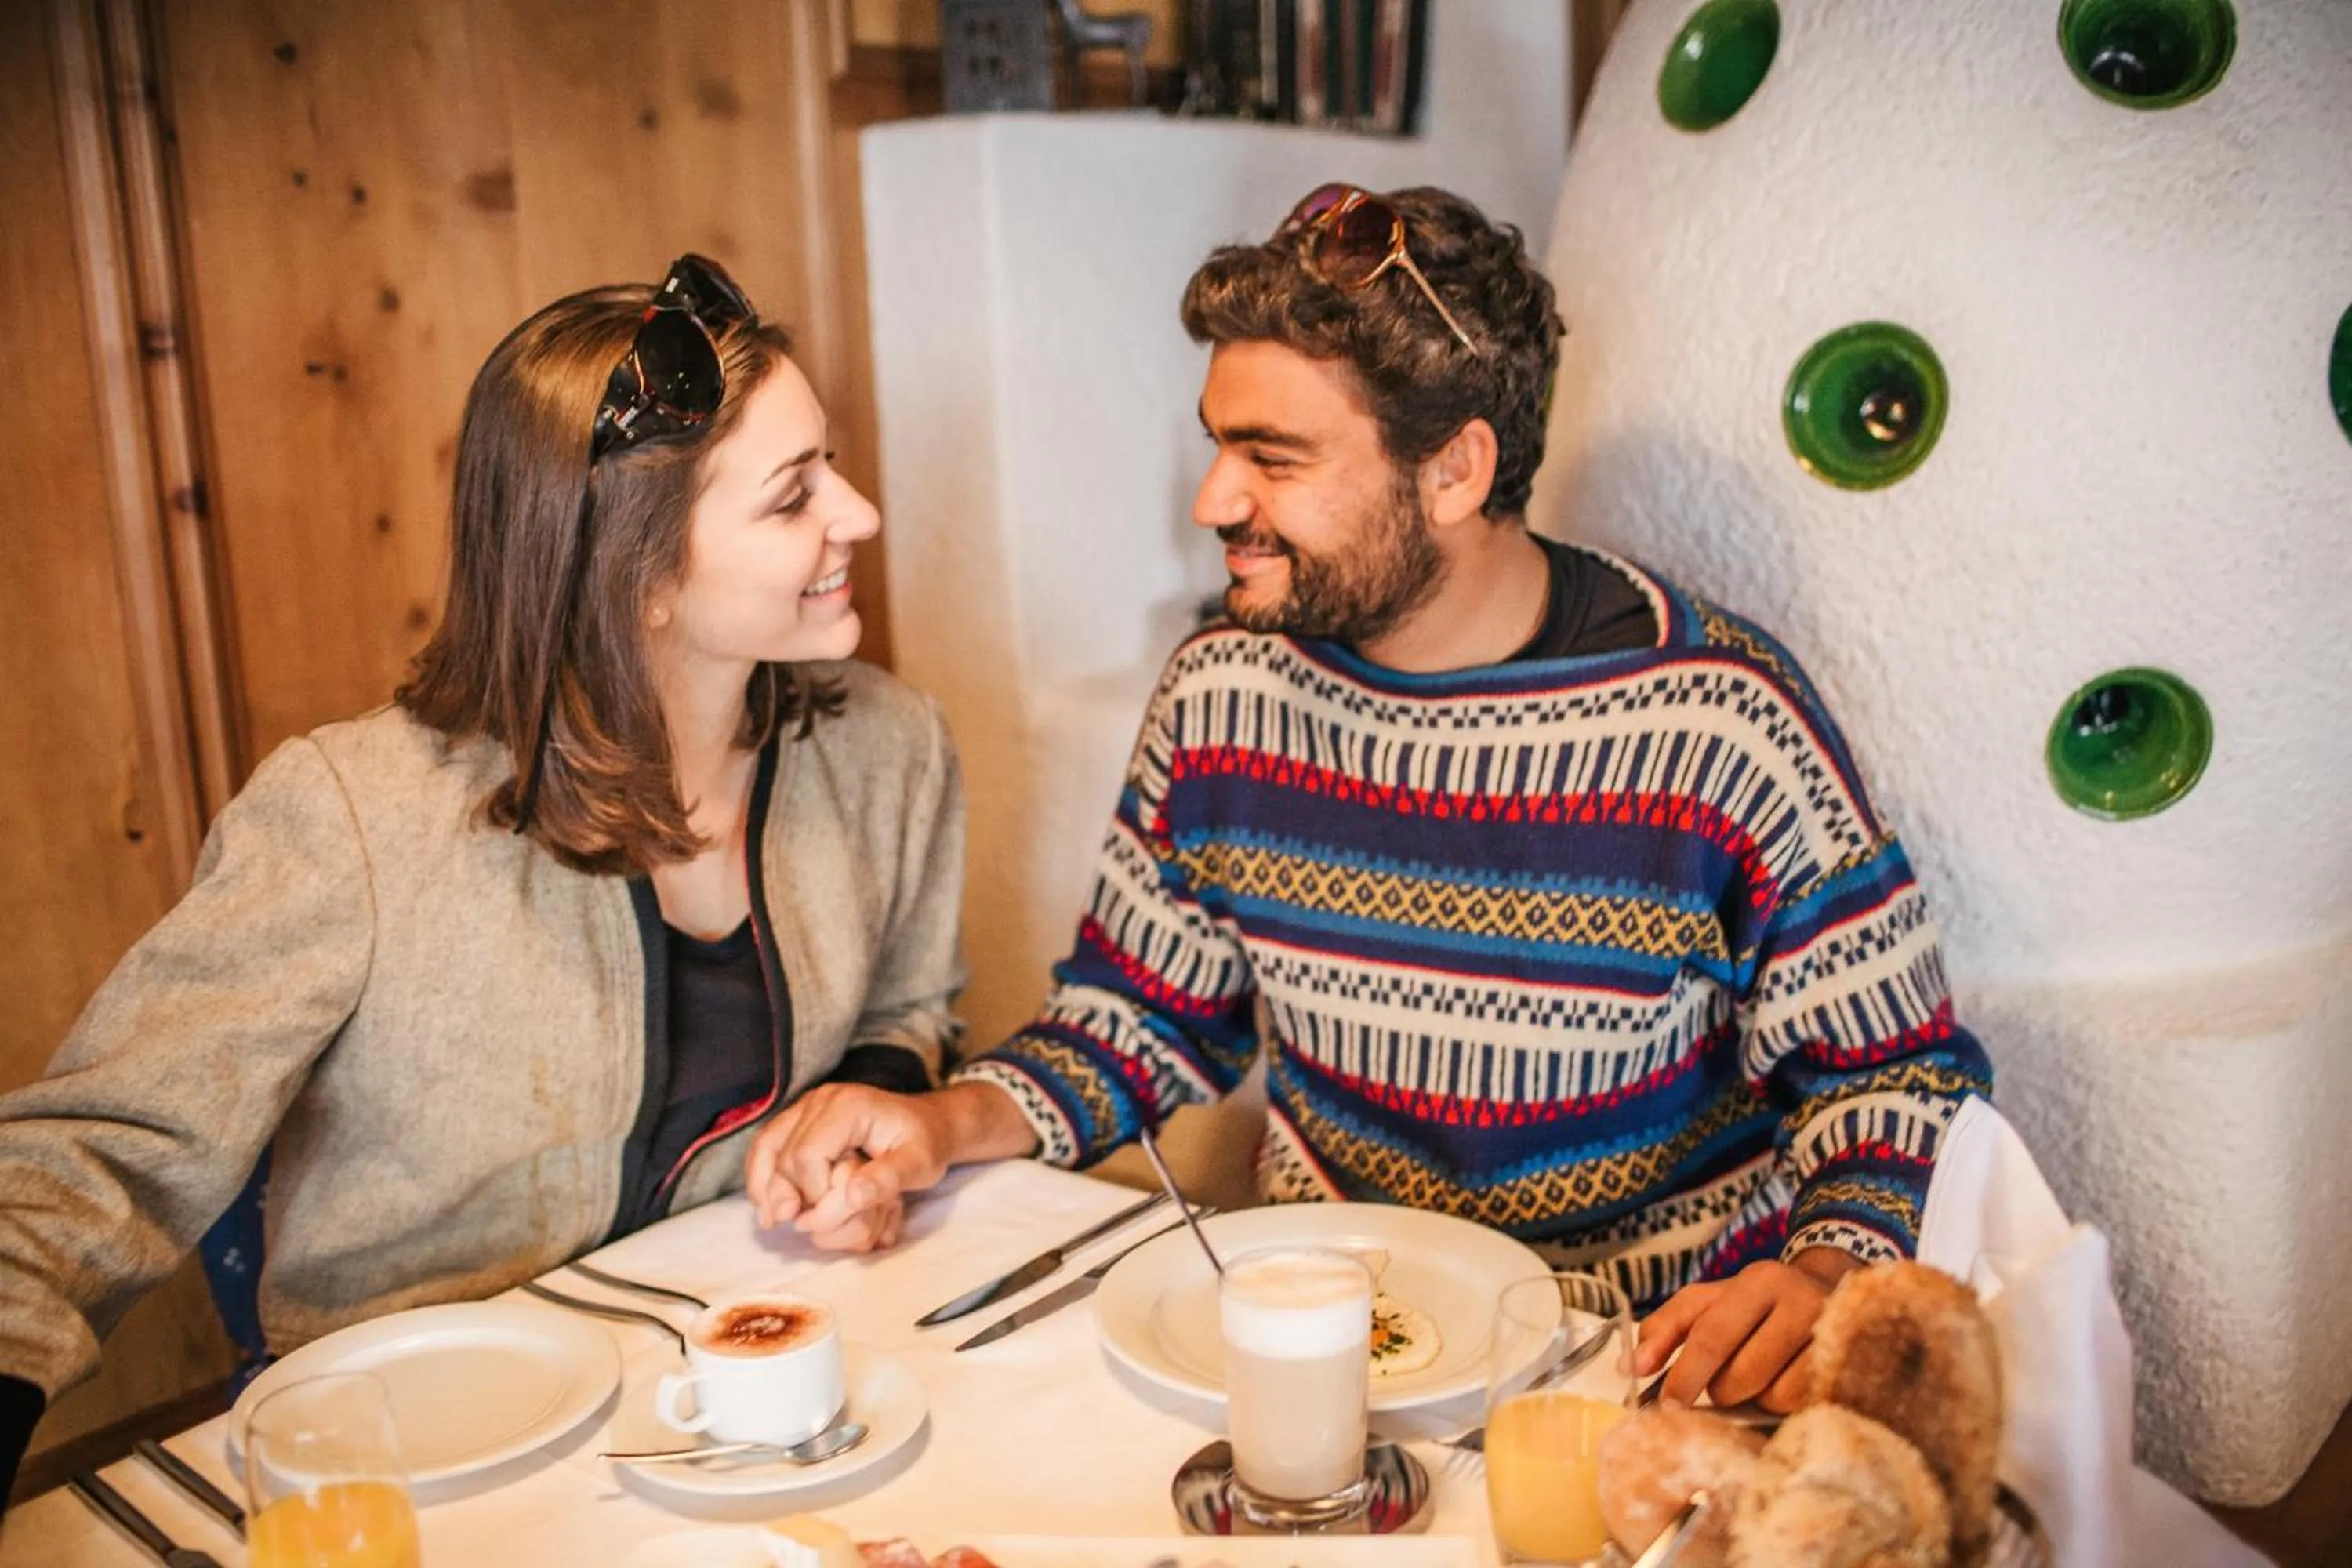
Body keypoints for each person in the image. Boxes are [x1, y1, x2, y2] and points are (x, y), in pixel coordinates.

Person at [745, 187, 1994, 1414]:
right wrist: (937, 1123)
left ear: (1454, 470)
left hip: (1637, 1363)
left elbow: (1893, 1080)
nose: (1214, 502)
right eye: (1218, 442)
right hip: (1319, 1340)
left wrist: (1830, 1266)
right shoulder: (1221, 694)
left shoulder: (1720, 720)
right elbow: (1139, 1019)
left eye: (1272, 459)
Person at [0, 257, 965, 1494]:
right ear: (644, 576)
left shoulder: (890, 747)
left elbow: (910, 1010)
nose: (861, 514)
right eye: (794, 498)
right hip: (427, 1445)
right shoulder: (355, 815)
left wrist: (868, 1116)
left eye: (828, 465)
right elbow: (93, 1159)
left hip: (745, 1378)